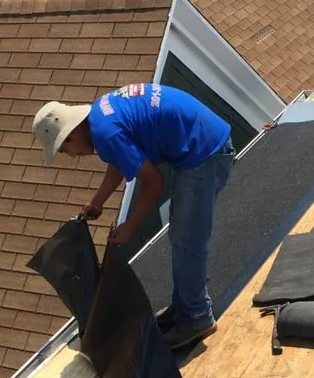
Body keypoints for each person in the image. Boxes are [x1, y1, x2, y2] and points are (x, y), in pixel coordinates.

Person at [32, 83, 234, 349]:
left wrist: (131, 226)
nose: (70, 156)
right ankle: (186, 304)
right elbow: (120, 160)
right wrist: (97, 201)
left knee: (187, 240)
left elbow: (153, 181)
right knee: (182, 236)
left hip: (204, 151)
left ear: (71, 134)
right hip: (198, 142)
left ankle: (196, 318)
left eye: (63, 149)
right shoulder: (99, 118)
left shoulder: (105, 133)